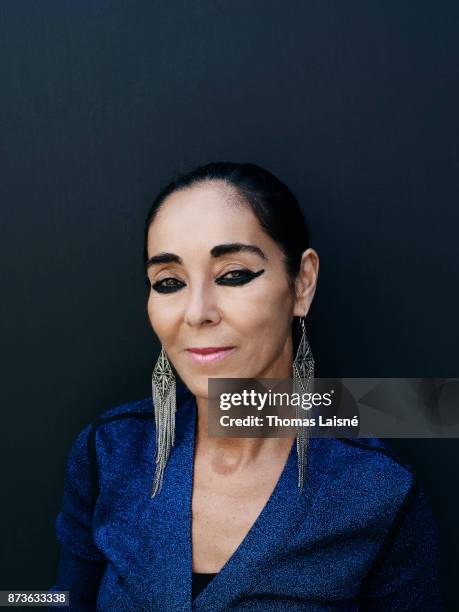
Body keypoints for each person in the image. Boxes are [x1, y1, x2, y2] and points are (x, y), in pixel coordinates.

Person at [49, 162, 442, 610]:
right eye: (169, 282)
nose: (197, 312)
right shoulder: (109, 451)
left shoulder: (378, 489)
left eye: (233, 274)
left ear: (302, 283)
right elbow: (60, 599)